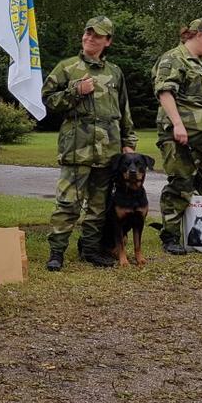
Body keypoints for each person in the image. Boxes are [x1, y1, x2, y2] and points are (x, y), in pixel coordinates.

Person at [42, 16, 137, 271]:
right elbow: (48, 101)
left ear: (108, 41)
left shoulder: (115, 72)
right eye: (87, 33)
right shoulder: (67, 67)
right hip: (77, 148)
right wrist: (75, 91)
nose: (89, 38)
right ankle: (57, 252)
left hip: (109, 150)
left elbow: (124, 109)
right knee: (68, 203)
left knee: (98, 205)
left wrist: (129, 143)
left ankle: (91, 250)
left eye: (97, 35)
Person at [152, 18, 202, 254]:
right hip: (183, 132)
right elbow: (165, 91)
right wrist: (177, 124)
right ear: (199, 35)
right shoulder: (173, 58)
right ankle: (171, 236)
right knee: (181, 183)